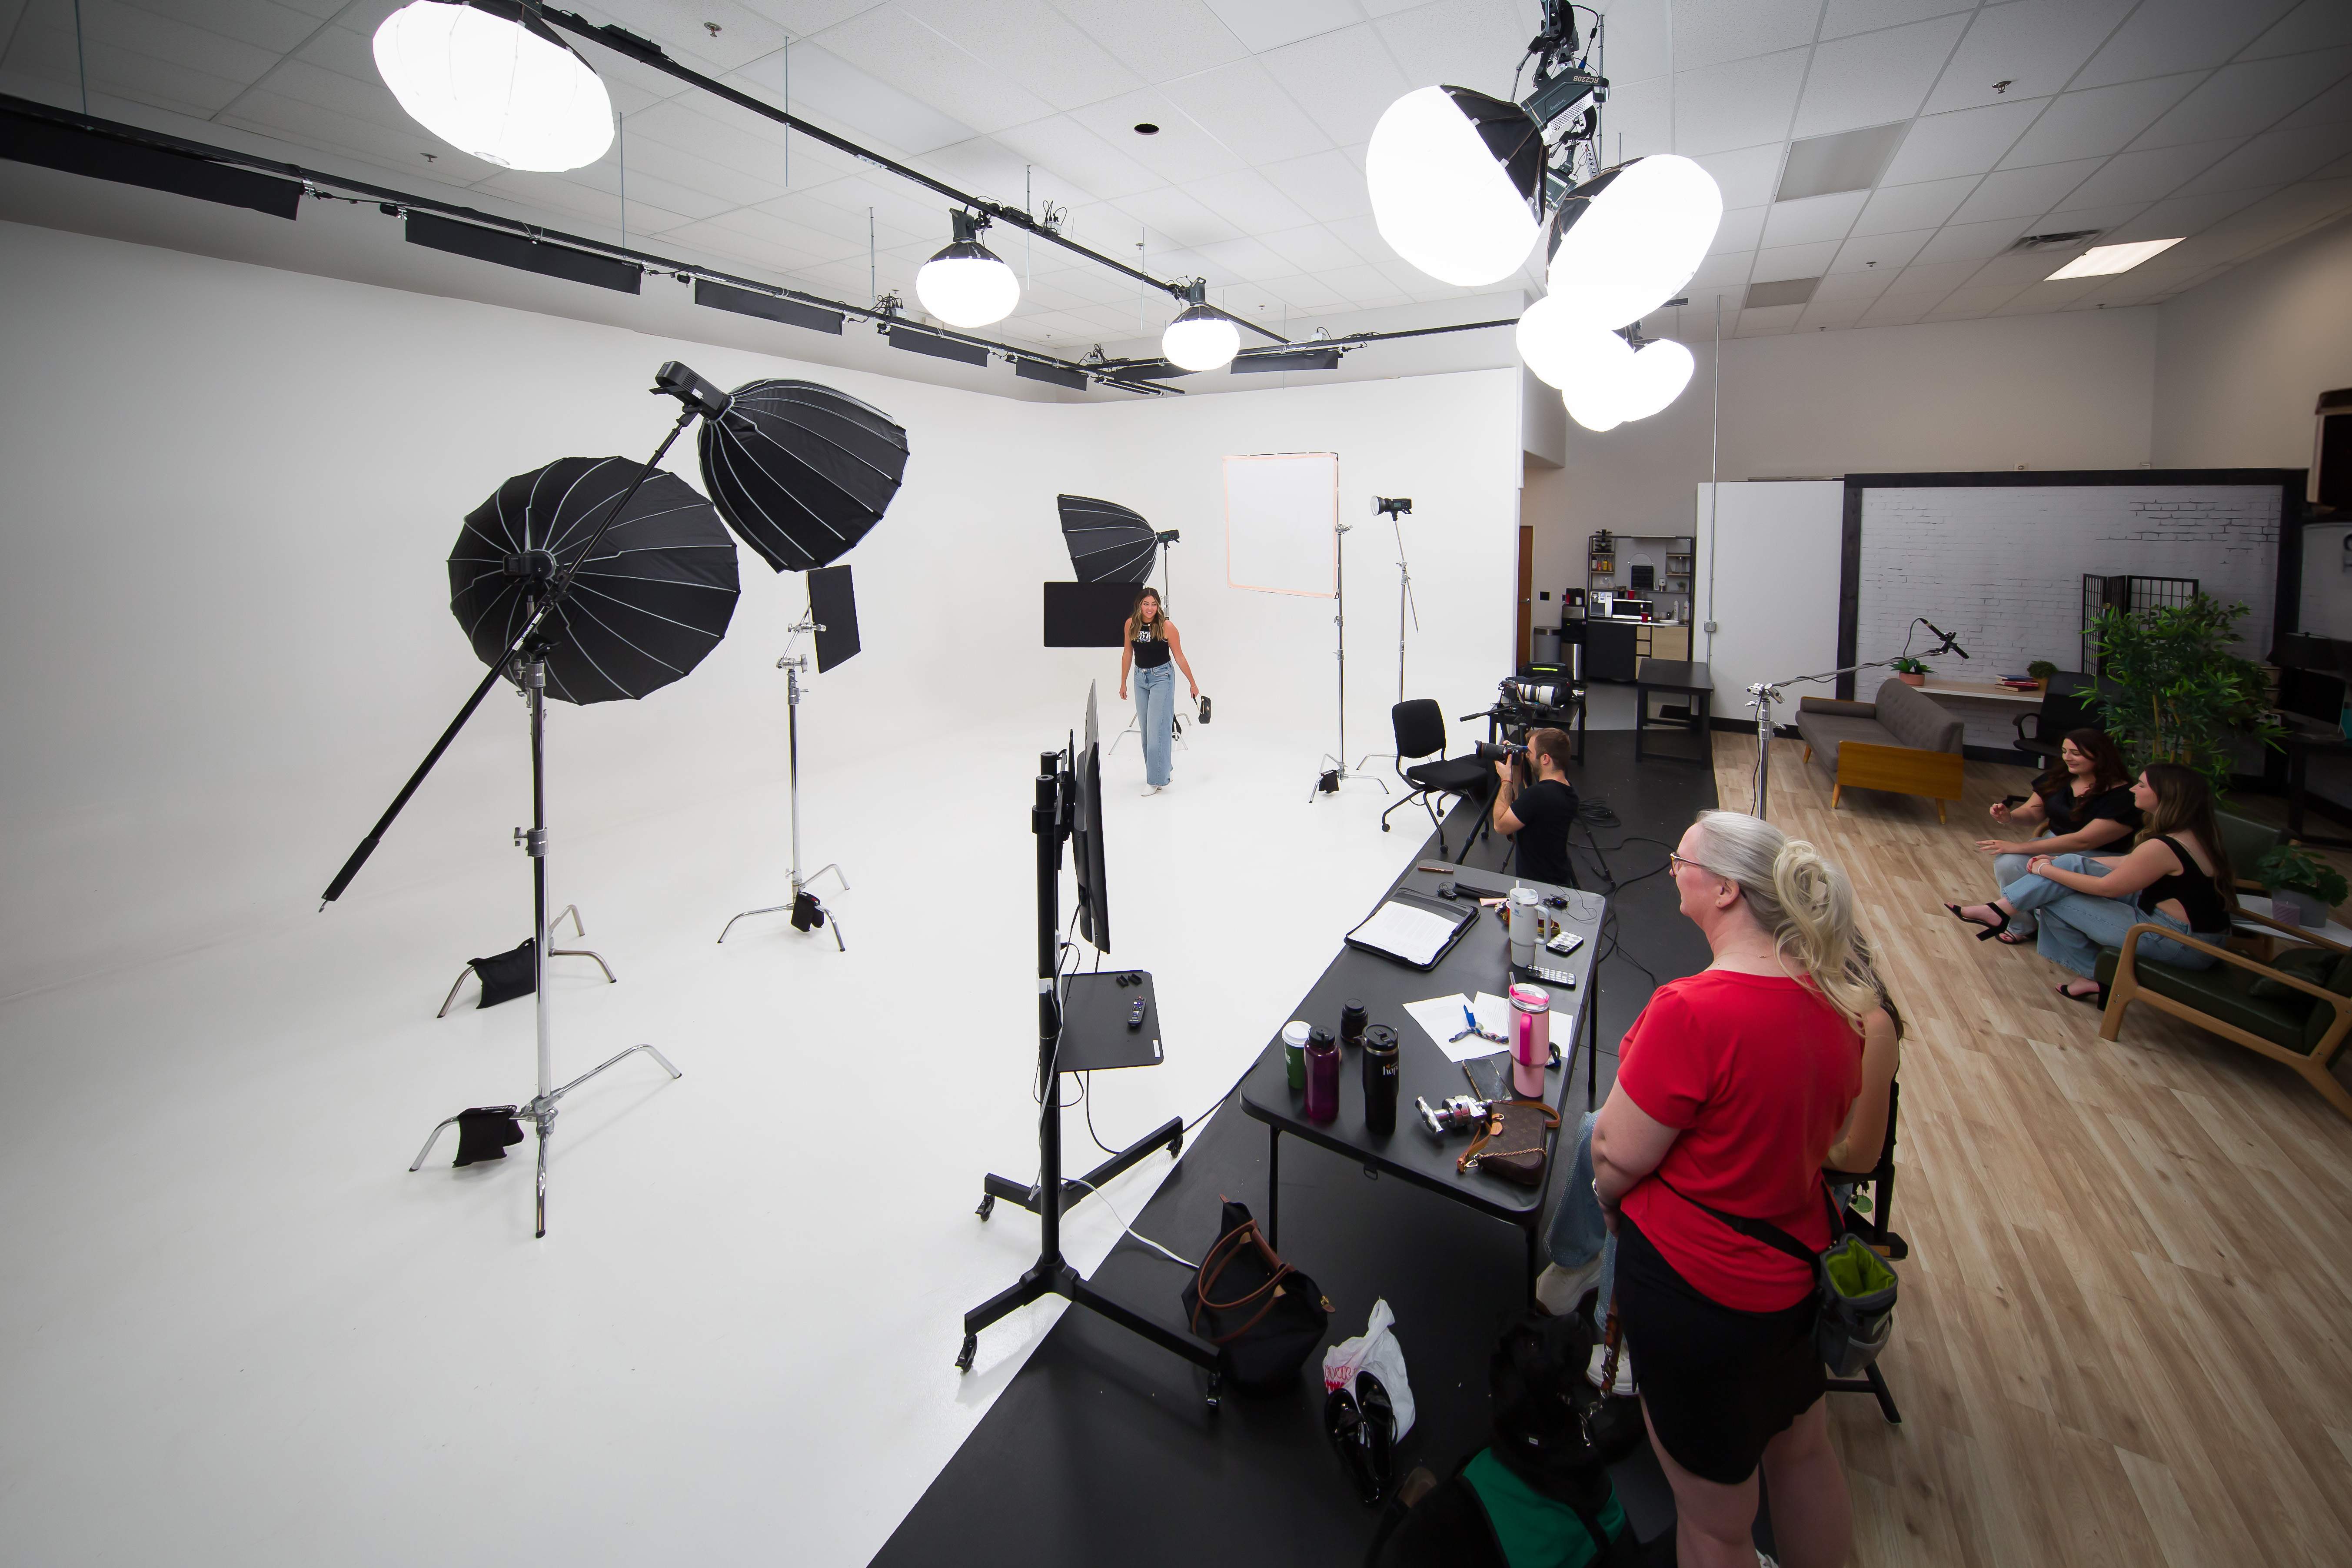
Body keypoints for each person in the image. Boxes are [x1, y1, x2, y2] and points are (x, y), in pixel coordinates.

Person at [1587, 809, 1868, 1568]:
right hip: (1795, 1279)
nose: (1673, 869)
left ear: (1724, 892)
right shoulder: (1843, 1011)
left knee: (1716, 1523)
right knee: (1802, 1457)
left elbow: (1614, 1149)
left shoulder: (1692, 1012)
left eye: (1682, 861)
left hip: (1699, 1297)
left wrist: (1611, 1205)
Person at [1985, 762, 2234, 1006]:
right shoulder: (2197, 833)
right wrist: (2062, 863)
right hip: (2196, 936)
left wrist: (2046, 870)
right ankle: (2001, 910)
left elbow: (2108, 888)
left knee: (2051, 898)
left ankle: (2093, 974)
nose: (2133, 789)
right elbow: (2127, 861)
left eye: (2141, 785)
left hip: (2179, 942)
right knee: (2071, 864)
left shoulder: (2163, 846)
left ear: (2164, 796)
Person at [1947, 728, 2137, 943]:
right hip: (2051, 843)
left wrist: (2019, 847)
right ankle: (2022, 924)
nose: (2067, 757)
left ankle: (2022, 918)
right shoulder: (2060, 778)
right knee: (2008, 863)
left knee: (2030, 860)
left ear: (2100, 755)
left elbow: (2084, 840)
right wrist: (2009, 816)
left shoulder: (2124, 797)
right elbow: (2034, 812)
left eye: (2075, 753)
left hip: (2094, 855)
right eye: (2065, 751)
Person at [1116, 587, 1198, 796]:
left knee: (1157, 730)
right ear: (1139, 605)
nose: (1150, 608)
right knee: (1146, 730)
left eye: (1154, 604)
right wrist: (1123, 682)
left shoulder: (1166, 626)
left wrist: (1192, 683)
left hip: (1162, 678)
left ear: (1159, 606)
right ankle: (1160, 771)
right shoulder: (1131, 624)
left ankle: (1155, 780)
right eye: (1146, 604)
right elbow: (1127, 653)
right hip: (1140, 678)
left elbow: (1179, 656)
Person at [1490, 728, 1578, 886]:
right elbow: (1522, 812)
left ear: (1545, 759)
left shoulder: (1538, 795)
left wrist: (1506, 780)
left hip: (1535, 888)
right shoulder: (1568, 791)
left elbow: (1501, 825)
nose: (1527, 756)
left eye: (1529, 752)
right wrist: (1517, 774)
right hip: (1557, 882)